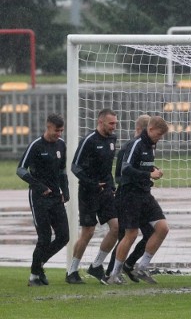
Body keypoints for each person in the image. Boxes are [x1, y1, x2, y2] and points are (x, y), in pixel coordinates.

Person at [107, 116, 170, 284]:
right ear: (150, 130)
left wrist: (152, 169)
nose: (159, 138)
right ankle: (114, 273)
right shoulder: (135, 144)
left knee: (162, 228)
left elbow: (141, 165)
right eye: (158, 134)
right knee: (131, 234)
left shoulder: (151, 144)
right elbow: (126, 169)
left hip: (144, 193)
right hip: (129, 195)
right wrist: (149, 174)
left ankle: (142, 267)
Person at [66, 108, 119, 284]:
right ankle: (72, 271)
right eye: (111, 123)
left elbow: (107, 167)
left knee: (117, 228)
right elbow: (75, 167)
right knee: (88, 232)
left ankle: (96, 265)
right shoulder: (89, 140)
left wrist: (111, 186)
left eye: (115, 123)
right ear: (100, 121)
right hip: (88, 193)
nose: (114, 126)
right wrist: (92, 183)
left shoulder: (113, 139)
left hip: (106, 193)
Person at [17, 113, 70, 286]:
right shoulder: (36, 145)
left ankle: (38, 265)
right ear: (48, 127)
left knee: (63, 236)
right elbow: (21, 170)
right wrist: (39, 186)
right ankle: (34, 276)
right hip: (38, 197)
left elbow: (62, 171)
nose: (59, 134)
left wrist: (65, 190)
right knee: (44, 237)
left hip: (56, 197)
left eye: (62, 130)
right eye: (57, 130)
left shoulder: (61, 145)